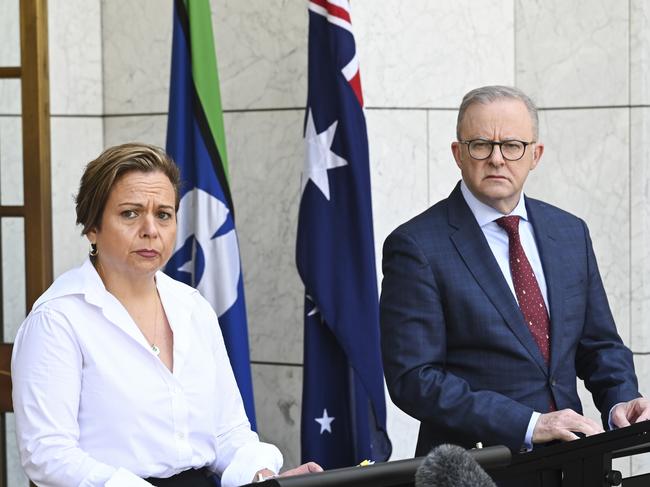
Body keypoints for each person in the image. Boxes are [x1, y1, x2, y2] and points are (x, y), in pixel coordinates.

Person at [11, 143, 322, 487]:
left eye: (163, 214)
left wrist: (261, 476)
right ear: (92, 226)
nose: (150, 229)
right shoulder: (58, 319)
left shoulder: (192, 307)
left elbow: (227, 430)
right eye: (130, 213)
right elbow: (47, 454)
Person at [379, 86, 650, 459]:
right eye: (480, 145)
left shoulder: (569, 232)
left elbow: (599, 344)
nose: (496, 159)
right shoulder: (416, 245)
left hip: (574, 462)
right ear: (458, 154)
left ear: (535, 155)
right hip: (477, 470)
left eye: (512, 146)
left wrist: (622, 398)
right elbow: (414, 379)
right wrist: (528, 423)